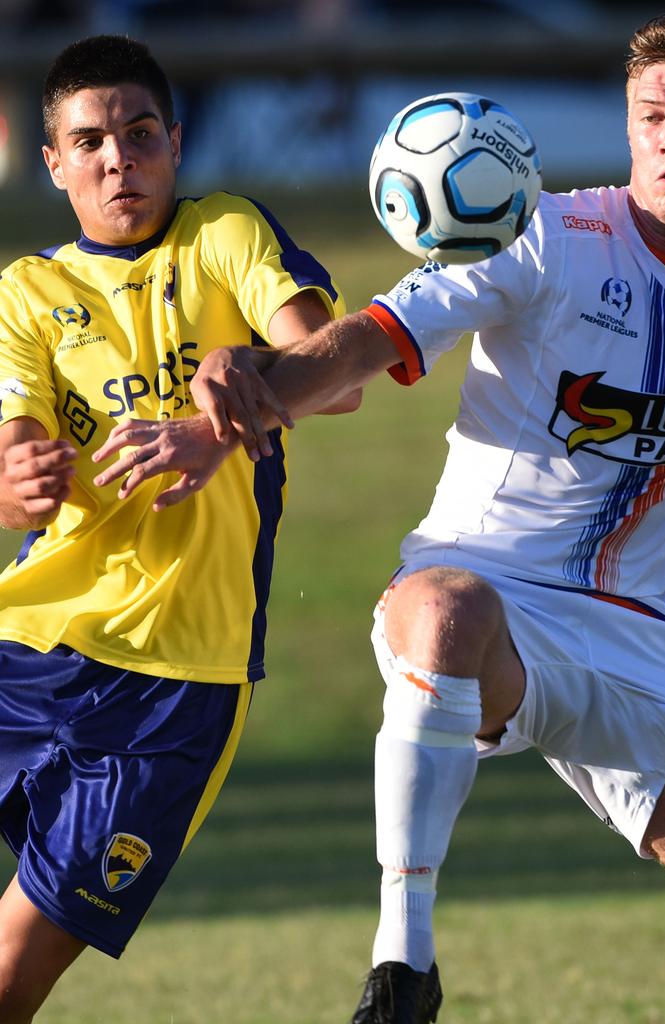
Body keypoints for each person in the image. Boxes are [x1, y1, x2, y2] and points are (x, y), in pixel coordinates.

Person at [95, 11, 665, 1024]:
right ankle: (403, 967)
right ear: (628, 131)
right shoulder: (538, 234)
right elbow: (370, 338)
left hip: (637, 638)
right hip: (484, 600)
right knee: (444, 606)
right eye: (652, 116)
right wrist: (253, 398)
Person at [0, 33, 354, 1022]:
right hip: (29, 636)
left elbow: (337, 372)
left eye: (140, 133)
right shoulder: (28, 291)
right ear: (55, 162)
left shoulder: (224, 233)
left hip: (175, 682)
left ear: (176, 142)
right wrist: (16, 481)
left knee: (13, 973)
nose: (120, 158)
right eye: (92, 141)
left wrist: (219, 421)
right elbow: (12, 466)